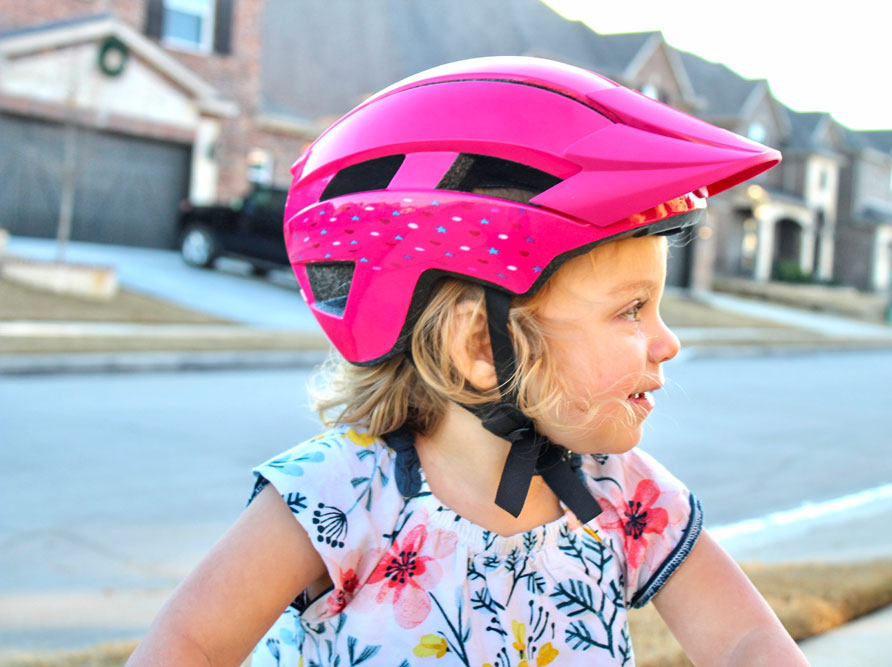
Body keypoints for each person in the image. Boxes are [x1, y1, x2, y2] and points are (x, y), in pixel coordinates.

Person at [128, 57, 806, 666]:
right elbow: (189, 645)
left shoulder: (624, 497)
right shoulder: (340, 494)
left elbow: (745, 640)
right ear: (482, 347)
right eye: (632, 309)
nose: (667, 341)